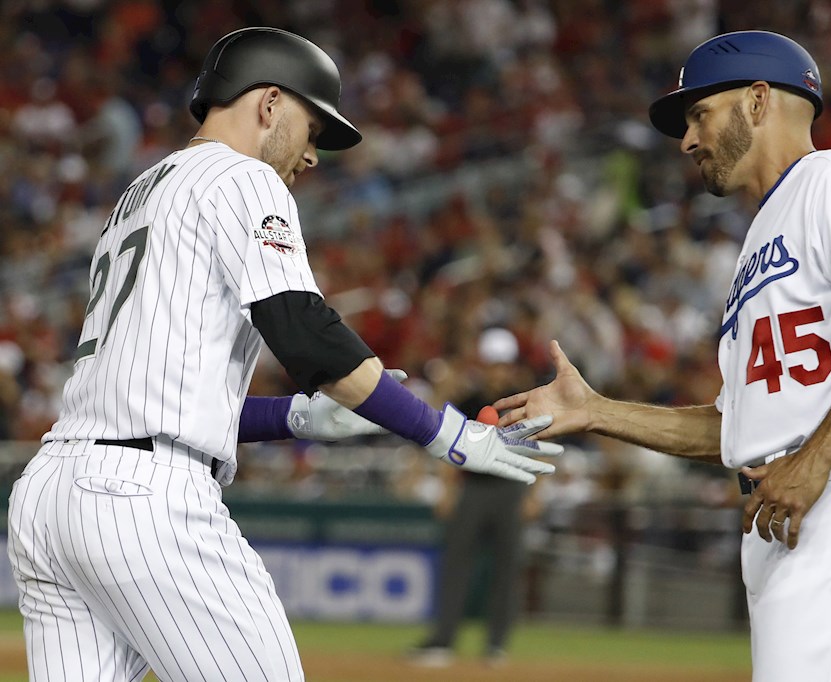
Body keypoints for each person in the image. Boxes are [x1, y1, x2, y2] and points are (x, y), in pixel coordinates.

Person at [6, 27, 560, 682]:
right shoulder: (243, 176)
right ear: (269, 103)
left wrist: (294, 418)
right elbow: (305, 332)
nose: (315, 155)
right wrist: (445, 433)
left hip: (53, 494)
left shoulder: (137, 196)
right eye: (313, 127)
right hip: (143, 499)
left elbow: (150, 389)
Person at [496, 30, 831, 682]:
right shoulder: (762, 236)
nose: (688, 140)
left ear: (759, 101)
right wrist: (597, 412)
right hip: (795, 505)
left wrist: (814, 462)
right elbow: (735, 429)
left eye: (700, 113)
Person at [409, 327, 539, 668]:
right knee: (456, 564)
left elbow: (538, 449)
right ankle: (443, 641)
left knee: (506, 568)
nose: (498, 370)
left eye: (503, 364)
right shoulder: (469, 400)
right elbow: (450, 449)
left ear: (511, 366)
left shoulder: (523, 403)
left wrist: (534, 493)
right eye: (493, 363)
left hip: (511, 488)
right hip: (474, 488)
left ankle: (496, 645)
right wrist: (448, 491)